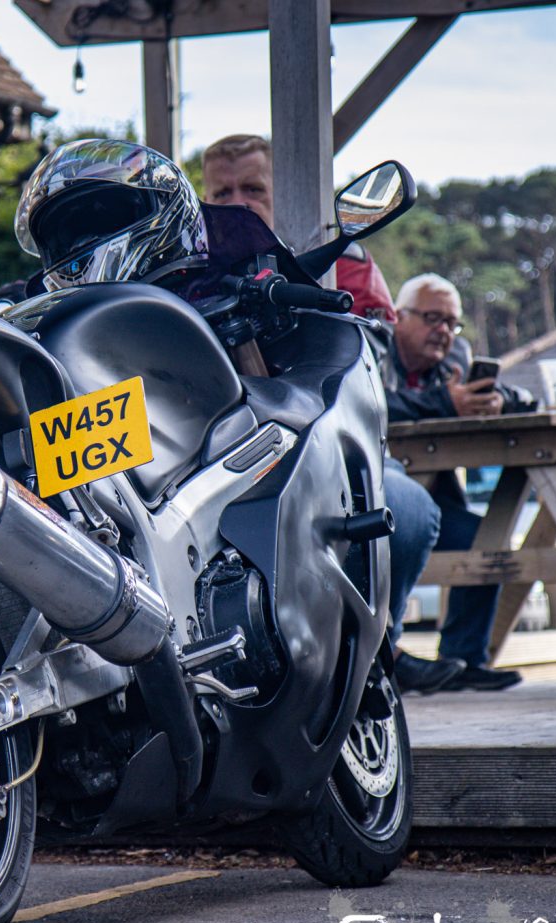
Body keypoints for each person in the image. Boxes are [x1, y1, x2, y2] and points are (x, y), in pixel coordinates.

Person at [201, 134, 466, 695]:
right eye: (222, 191)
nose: (238, 203)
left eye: (254, 188)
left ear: (287, 193)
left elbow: (373, 377)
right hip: (213, 455)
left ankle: (375, 655)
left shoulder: (341, 264)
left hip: (319, 442)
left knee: (411, 511)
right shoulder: (180, 271)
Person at [376, 273, 536, 690]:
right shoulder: (374, 350)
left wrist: (498, 400)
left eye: (451, 322)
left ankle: (463, 662)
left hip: (435, 506)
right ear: (399, 317)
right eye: (432, 318)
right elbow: (372, 403)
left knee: (485, 542)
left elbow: (518, 396)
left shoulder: (456, 360)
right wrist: (444, 403)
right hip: (373, 506)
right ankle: (384, 659)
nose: (443, 331)